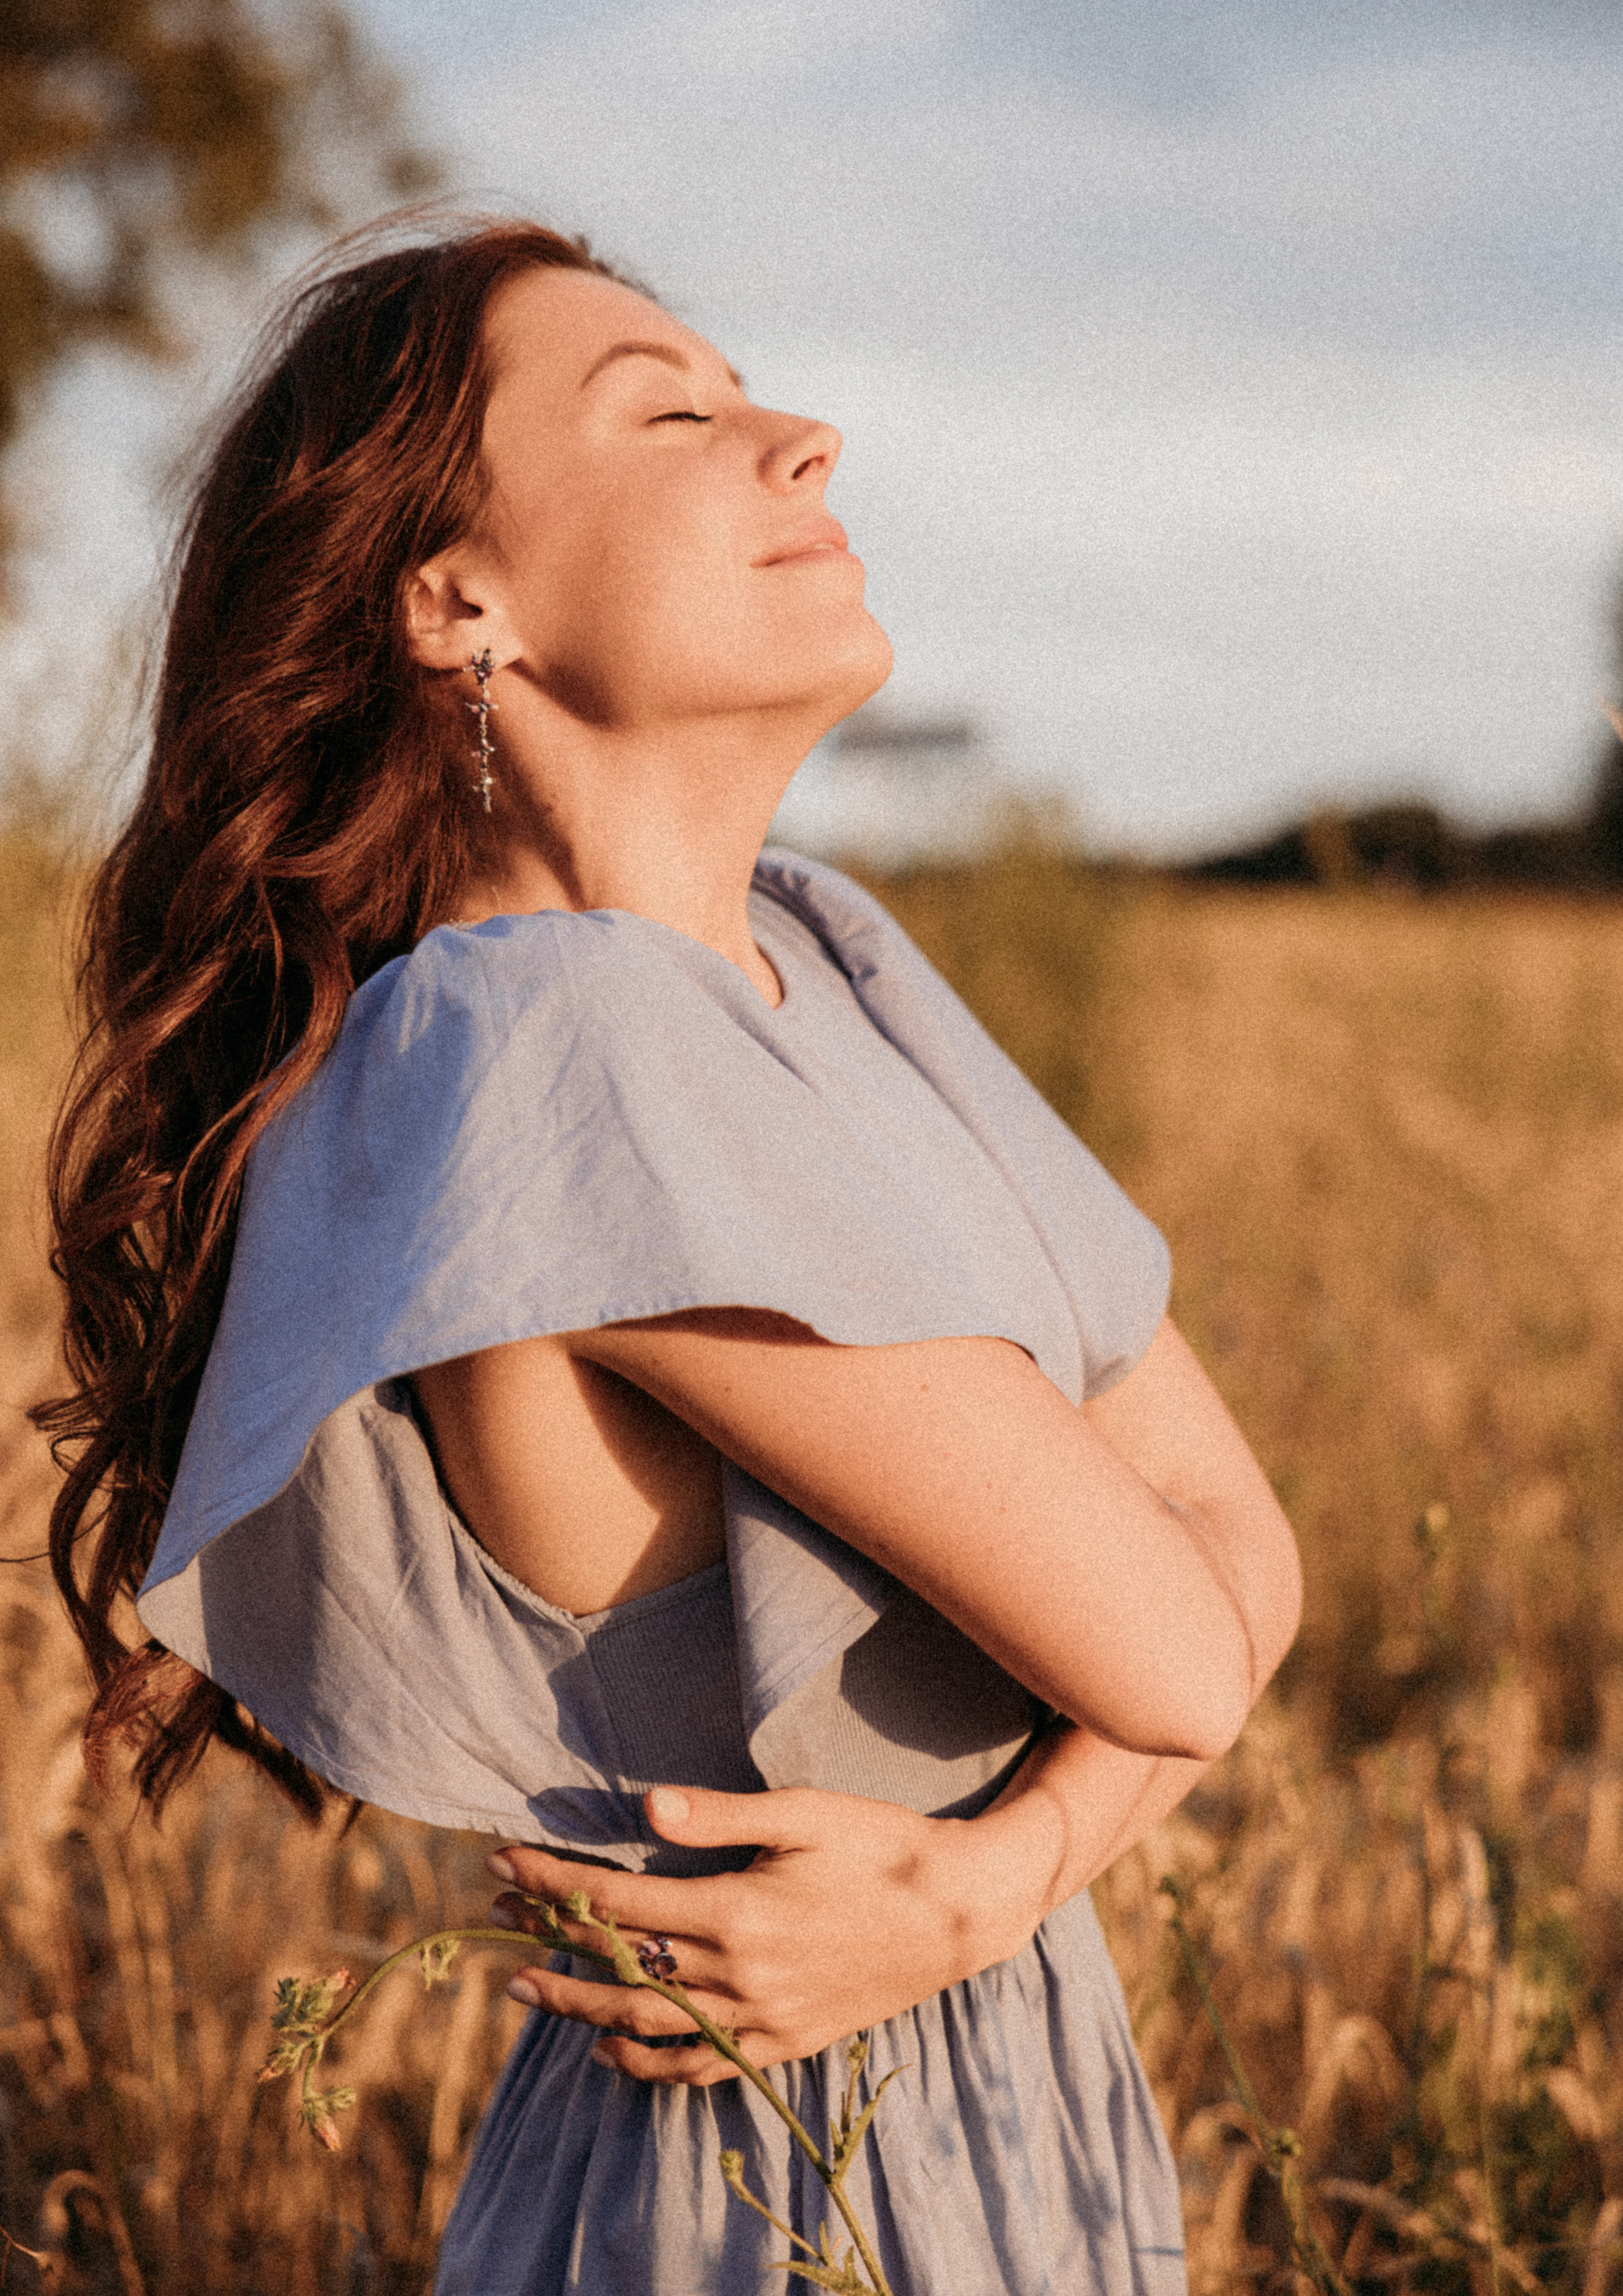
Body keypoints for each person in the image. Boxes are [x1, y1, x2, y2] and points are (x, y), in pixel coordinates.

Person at [39, 214, 1302, 2296]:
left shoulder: (833, 957)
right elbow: (1175, 1646)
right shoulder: (553, 1049)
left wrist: (985, 1888)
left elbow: (1253, 1545)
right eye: (678, 414)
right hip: (777, 2154)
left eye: (757, 395)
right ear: (456, 603)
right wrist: (1026, 1854)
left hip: (969, 2050)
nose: (802, 439)